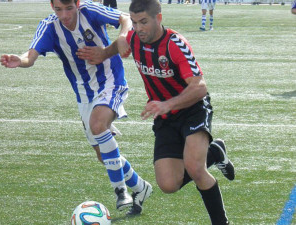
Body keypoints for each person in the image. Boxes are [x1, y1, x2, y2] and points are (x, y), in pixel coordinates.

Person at [76, 0, 235, 223]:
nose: (138, 28)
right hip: (165, 118)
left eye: (143, 22)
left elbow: (200, 87)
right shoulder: (134, 38)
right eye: (134, 22)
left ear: (158, 18)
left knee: (196, 170)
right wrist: (104, 53)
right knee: (169, 185)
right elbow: (121, 43)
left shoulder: (175, 43)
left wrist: (167, 104)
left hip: (193, 110)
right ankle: (215, 153)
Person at [0, 0, 152, 215]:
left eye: (69, 8)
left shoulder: (90, 11)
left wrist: (122, 36)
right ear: (52, 7)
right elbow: (30, 56)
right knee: (103, 156)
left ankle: (121, 191)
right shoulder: (50, 27)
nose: (64, 15)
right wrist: (20, 60)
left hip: (111, 81)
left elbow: (124, 18)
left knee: (98, 126)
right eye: (58, 9)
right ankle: (140, 187)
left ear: (77, 4)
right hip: (84, 95)